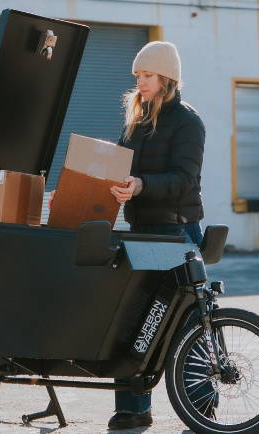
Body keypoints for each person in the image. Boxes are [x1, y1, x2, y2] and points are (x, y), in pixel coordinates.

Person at [107, 40, 206, 430]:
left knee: (187, 324)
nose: (141, 82)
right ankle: (133, 410)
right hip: (142, 231)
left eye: (148, 75)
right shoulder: (136, 121)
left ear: (167, 78)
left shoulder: (187, 122)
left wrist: (141, 185)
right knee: (132, 321)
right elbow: (117, 166)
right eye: (138, 76)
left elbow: (184, 179)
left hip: (176, 230)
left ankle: (202, 409)